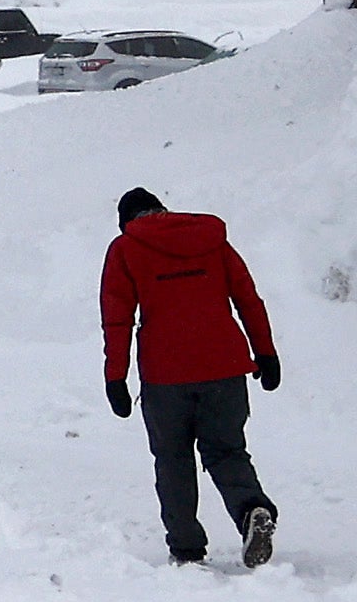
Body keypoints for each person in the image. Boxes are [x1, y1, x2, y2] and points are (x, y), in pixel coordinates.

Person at [99, 188, 283, 569]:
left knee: (173, 459)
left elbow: (117, 318)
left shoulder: (125, 250)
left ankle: (186, 549)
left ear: (127, 222)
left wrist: (116, 377)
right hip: (225, 367)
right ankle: (252, 511)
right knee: (227, 450)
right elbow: (248, 299)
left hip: (166, 377)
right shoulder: (212, 241)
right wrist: (265, 352)